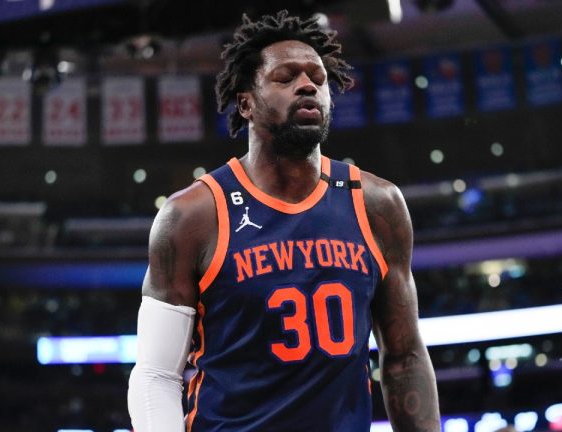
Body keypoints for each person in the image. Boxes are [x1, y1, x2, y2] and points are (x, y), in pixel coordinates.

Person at [127, 10, 440, 432]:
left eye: (318, 77)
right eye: (286, 77)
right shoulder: (192, 216)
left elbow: (404, 358)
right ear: (246, 103)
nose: (308, 84)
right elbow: (155, 375)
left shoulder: (377, 204)